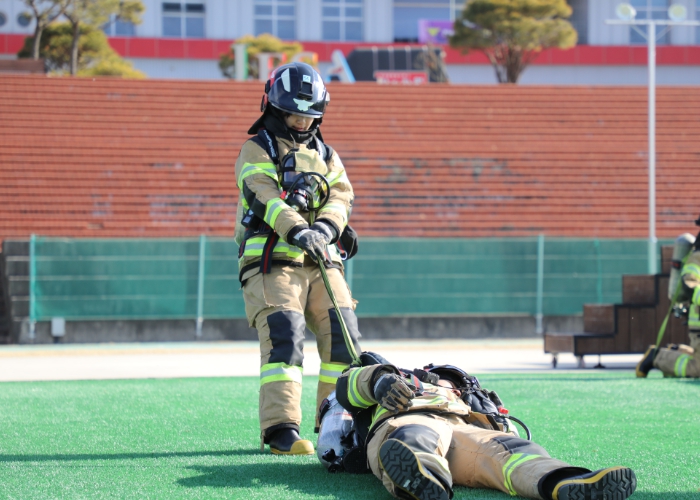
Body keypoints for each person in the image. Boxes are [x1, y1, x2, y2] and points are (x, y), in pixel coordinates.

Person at [234, 62, 362, 455]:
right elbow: (263, 195)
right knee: (285, 338)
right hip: (272, 261)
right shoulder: (257, 149)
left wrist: (324, 228)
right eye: (294, 114)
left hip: (322, 261)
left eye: (310, 115)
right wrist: (299, 230)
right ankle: (281, 429)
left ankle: (335, 425)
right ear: (274, 108)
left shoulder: (326, 154)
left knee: (344, 338)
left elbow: (341, 196)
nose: (303, 122)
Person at [322, 353, 636, 500]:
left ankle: (565, 480)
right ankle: (425, 480)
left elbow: (507, 433)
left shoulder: (467, 403)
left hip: (463, 430)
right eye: (448, 379)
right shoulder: (398, 378)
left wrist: (496, 419)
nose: (451, 385)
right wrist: (379, 381)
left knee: (511, 450)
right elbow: (349, 386)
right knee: (414, 438)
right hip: (405, 417)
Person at [637, 220, 700, 378]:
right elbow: (689, 284)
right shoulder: (697, 257)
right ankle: (657, 357)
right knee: (697, 369)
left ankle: (676, 351)